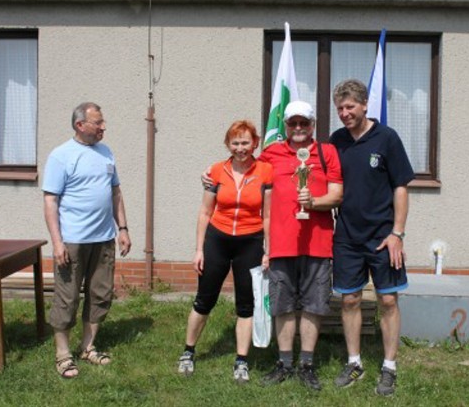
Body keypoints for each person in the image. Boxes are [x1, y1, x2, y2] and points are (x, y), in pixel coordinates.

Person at [202, 101, 343, 390]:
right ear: (286, 126)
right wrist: (210, 174)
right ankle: (285, 363)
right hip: (280, 244)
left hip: (317, 243)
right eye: (293, 123)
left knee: (314, 306)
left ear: (313, 125)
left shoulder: (327, 152)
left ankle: (307, 364)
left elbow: (337, 194)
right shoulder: (271, 153)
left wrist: (314, 202)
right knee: (282, 305)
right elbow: (241, 164)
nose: (298, 128)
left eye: (304, 123)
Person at [329, 79, 415, 397]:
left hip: (383, 237)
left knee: (388, 300)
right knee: (350, 300)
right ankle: (354, 363)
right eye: (340, 108)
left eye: (350, 106)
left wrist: (397, 233)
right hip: (347, 237)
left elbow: (401, 187)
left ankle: (389, 367)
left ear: (365, 105)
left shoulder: (387, 138)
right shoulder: (336, 141)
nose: (344, 113)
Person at [178, 120, 272, 384]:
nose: (241, 148)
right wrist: (199, 249)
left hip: (250, 242)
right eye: (235, 143)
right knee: (204, 299)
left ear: (255, 143)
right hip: (217, 240)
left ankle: (241, 360)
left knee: (246, 304)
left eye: (245, 142)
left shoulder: (265, 171)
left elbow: (268, 216)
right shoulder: (216, 171)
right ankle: (188, 352)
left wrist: (268, 250)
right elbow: (205, 212)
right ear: (228, 145)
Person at [42, 102, 131, 379]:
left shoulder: (106, 152)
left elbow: (115, 192)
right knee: (67, 297)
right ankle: (63, 354)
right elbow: (50, 201)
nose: (104, 127)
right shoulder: (61, 156)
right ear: (80, 125)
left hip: (103, 239)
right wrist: (57, 242)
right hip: (72, 241)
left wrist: (123, 228)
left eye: (103, 122)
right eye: (98, 122)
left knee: (100, 294)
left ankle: (87, 347)